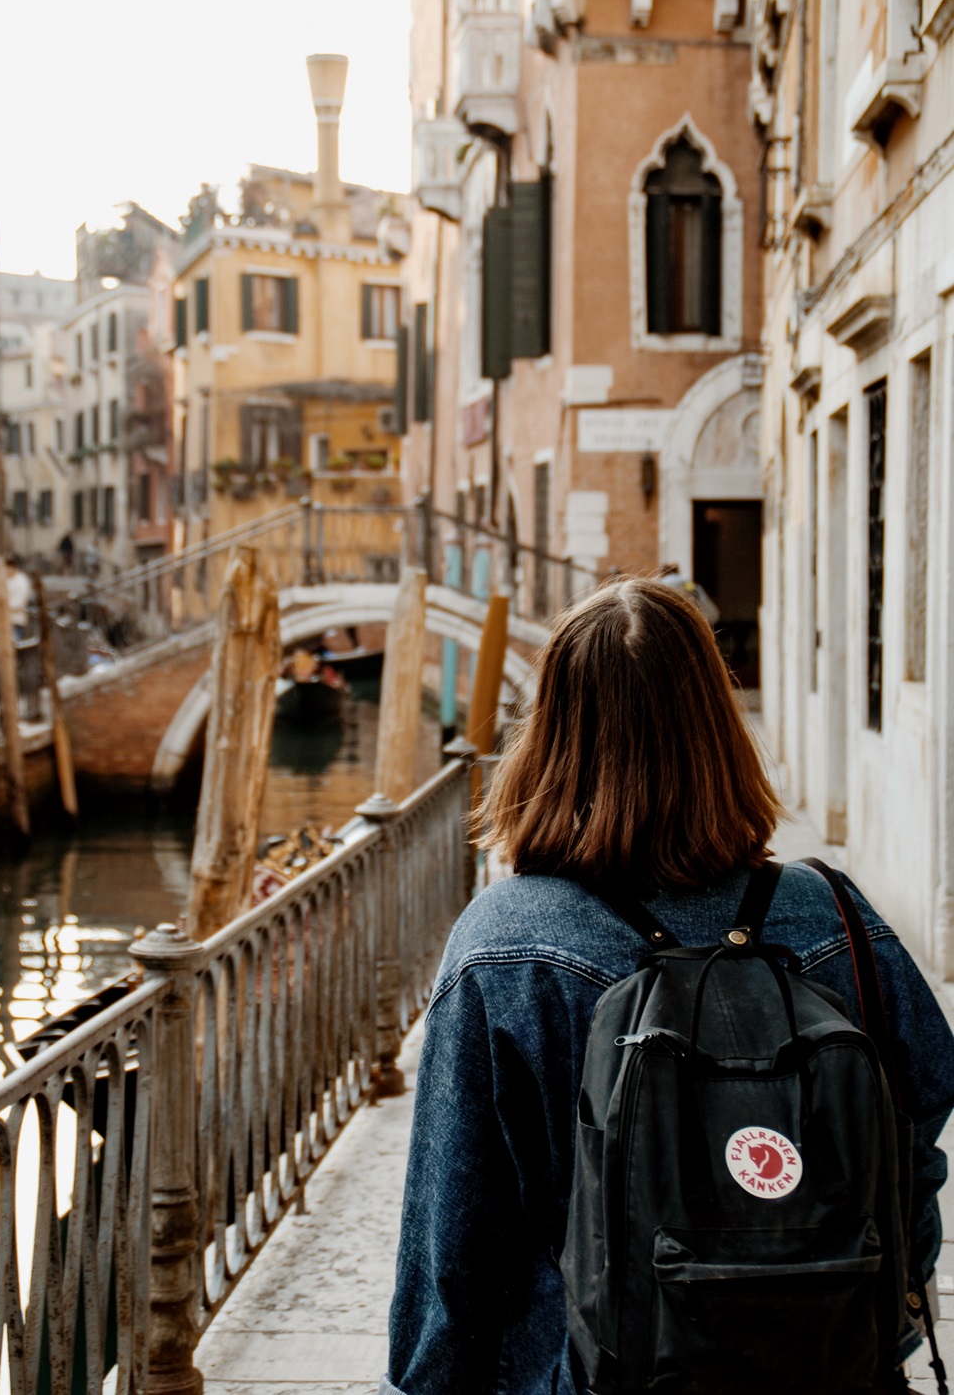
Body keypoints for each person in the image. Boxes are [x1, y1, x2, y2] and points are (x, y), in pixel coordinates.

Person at [380, 579, 954, 1395]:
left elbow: (451, 1252)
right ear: (720, 727)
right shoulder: (835, 915)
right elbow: (919, 1126)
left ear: (552, 734)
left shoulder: (501, 945)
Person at [5, 554, 32, 641]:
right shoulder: (6, 579)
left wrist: (2, 607)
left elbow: (18, 603)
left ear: (11, 567)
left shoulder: (21, 581)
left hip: (15, 621)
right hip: (5, 620)